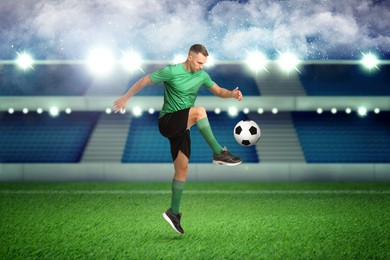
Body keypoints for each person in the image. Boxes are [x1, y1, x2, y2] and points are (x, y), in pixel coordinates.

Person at [113, 44, 243, 235]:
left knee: (182, 170)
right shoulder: (171, 71)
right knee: (199, 111)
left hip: (183, 126)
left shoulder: (202, 75)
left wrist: (232, 94)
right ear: (190, 57)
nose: (201, 66)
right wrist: (125, 97)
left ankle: (173, 213)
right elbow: (145, 80)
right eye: (199, 62)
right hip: (168, 121)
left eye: (204, 63)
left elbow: (218, 90)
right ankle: (219, 153)